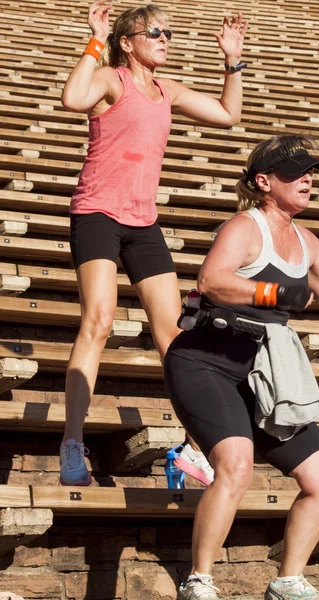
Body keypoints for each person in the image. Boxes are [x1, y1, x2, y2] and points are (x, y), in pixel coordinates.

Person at [164, 134, 319, 600]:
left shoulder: (305, 239)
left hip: (263, 372)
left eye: (311, 171)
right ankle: (199, 581)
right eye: (295, 172)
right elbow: (211, 280)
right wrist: (275, 293)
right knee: (235, 464)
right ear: (264, 181)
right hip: (206, 361)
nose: (307, 179)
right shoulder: (245, 227)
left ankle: (288, 582)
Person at [59, 0, 248, 486]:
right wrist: (95, 40)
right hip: (98, 212)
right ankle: (72, 443)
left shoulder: (168, 90)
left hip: (143, 222)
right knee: (98, 321)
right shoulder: (110, 78)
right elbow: (72, 98)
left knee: (175, 339)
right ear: (129, 42)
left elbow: (229, 115)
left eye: (169, 33)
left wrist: (231, 59)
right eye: (155, 33)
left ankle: (190, 449)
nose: (165, 39)